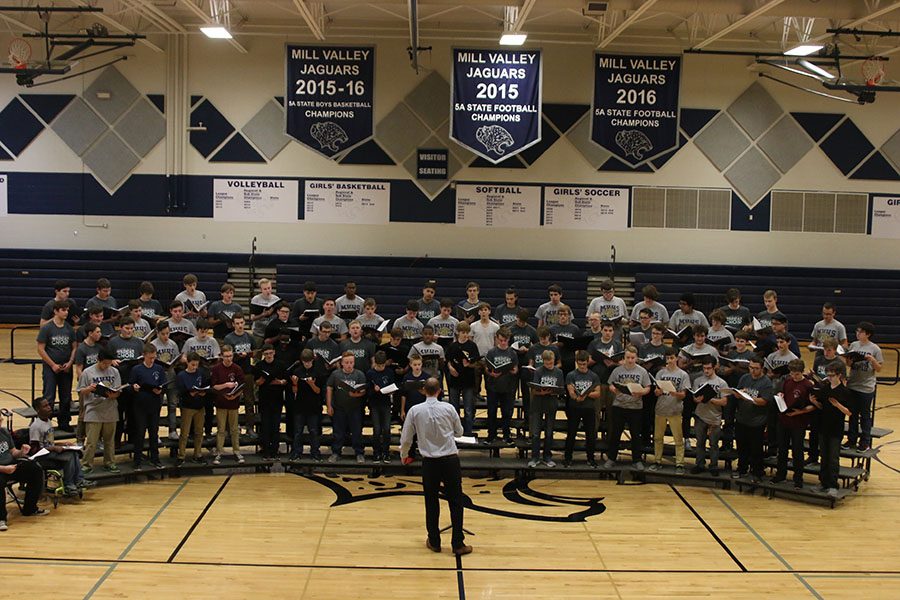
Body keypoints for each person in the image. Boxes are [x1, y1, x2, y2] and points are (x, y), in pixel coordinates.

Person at [400, 377, 472, 556]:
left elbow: (406, 437)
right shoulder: (449, 408)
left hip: (429, 461)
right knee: (456, 501)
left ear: (424, 391)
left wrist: (404, 455)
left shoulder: (415, 410)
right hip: (449, 459)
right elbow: (460, 432)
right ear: (440, 391)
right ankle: (457, 543)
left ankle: (434, 540)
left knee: (431, 502)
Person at [29, 397, 94, 497]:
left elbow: (49, 442)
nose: (49, 407)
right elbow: (35, 450)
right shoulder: (36, 426)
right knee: (68, 457)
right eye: (45, 406)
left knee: (74, 452)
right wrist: (54, 448)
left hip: (50, 452)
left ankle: (79, 480)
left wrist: (63, 444)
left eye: (48, 405)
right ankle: (69, 484)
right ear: (38, 410)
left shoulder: (48, 422)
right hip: (42, 457)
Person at [809, 363, 852, 497]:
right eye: (828, 375)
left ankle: (833, 485)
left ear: (839, 375)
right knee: (824, 457)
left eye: (832, 375)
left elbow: (849, 412)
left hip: (835, 429)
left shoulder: (845, 392)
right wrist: (814, 402)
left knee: (833, 458)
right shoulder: (825, 388)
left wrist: (837, 404)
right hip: (823, 427)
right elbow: (822, 406)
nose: (829, 378)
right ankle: (823, 483)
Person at [605, 346, 651, 469]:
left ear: (636, 358)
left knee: (635, 435)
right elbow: (610, 384)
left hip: (635, 407)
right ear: (624, 358)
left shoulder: (642, 371)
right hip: (619, 406)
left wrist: (641, 392)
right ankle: (611, 458)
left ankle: (637, 460)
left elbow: (647, 387)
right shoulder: (617, 370)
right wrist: (613, 389)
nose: (630, 360)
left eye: (632, 358)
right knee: (615, 433)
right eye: (628, 358)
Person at [0, 413, 48, 528]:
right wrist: (4, 469)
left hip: (11, 466)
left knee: (35, 469)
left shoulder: (4, 432)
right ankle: (1, 518)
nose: (1, 420)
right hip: (1, 470)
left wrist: (21, 452)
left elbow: (13, 452)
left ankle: (30, 508)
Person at [78, 349, 122, 473]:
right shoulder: (87, 372)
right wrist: (89, 389)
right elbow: (81, 391)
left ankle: (110, 462)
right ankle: (86, 464)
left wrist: (114, 395)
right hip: (93, 409)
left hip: (110, 409)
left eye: (109, 363)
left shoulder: (114, 371)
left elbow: (118, 390)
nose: (106, 366)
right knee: (91, 441)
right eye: (104, 364)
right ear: (99, 360)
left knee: (109, 441)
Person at [36, 300, 77, 431]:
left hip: (66, 368)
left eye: (67, 310)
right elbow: (40, 349)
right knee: (49, 396)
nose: (66, 312)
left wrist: (70, 362)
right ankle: (45, 424)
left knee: (66, 396)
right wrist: (53, 364)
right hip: (50, 368)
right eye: (63, 310)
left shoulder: (69, 328)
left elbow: (74, 347)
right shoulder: (47, 328)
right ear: (56, 311)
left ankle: (64, 422)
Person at [774, 359, 815, 488]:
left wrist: (799, 412)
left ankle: (798, 479)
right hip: (785, 420)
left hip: (798, 422)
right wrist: (781, 396)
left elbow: (813, 406)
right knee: (782, 449)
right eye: (792, 374)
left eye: (797, 374)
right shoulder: (787, 381)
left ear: (802, 372)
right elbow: (785, 395)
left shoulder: (808, 385)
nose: (794, 377)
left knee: (797, 451)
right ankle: (781, 475)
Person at [733, 357, 774, 483]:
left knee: (756, 449)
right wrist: (739, 393)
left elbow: (764, 401)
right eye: (751, 367)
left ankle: (757, 473)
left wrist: (748, 397)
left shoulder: (766, 382)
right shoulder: (745, 378)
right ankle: (742, 469)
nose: (752, 371)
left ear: (762, 368)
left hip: (757, 421)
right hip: (742, 418)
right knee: (741, 447)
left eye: (756, 368)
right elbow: (737, 393)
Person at [649, 347, 689, 473]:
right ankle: (657, 461)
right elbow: (656, 392)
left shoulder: (683, 375)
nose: (669, 361)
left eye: (672, 358)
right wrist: (658, 391)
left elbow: (683, 394)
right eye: (667, 358)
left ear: (676, 358)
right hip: (661, 408)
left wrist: (674, 392)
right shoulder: (660, 373)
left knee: (678, 438)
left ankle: (680, 464)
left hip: (675, 410)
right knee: (658, 438)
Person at [845, 321, 883, 451]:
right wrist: (849, 360)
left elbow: (879, 369)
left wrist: (872, 360)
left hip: (866, 387)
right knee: (852, 414)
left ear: (868, 334)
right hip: (853, 384)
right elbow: (849, 364)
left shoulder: (875, 349)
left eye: (860, 332)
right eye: (857, 331)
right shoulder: (854, 345)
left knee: (865, 416)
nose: (857, 333)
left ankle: (865, 441)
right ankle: (851, 439)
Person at [128, 344, 166, 470]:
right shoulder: (137, 369)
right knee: (140, 433)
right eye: (150, 358)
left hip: (154, 404)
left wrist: (160, 390)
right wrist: (134, 387)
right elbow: (130, 385)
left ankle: (155, 459)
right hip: (140, 405)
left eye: (154, 358)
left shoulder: (159, 369)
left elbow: (163, 384)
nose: (152, 360)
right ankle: (137, 461)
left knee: (154, 433)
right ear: (144, 356)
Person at [326, 353, 368, 463]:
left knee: (357, 432)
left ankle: (359, 453)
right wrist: (329, 405)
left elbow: (363, 391)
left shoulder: (359, 374)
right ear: (342, 363)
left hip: (355, 409)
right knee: (338, 432)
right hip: (339, 408)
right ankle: (336, 453)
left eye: (351, 362)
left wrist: (356, 395)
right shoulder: (335, 374)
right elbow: (329, 389)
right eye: (347, 363)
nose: (349, 365)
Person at [690, 359, 728, 476]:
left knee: (714, 444)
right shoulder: (697, 381)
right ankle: (699, 464)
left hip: (714, 418)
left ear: (714, 367)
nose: (706, 371)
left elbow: (724, 402)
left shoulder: (721, 383)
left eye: (708, 368)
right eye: (704, 368)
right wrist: (696, 399)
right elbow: (694, 398)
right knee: (700, 442)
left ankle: (714, 465)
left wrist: (710, 399)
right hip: (700, 415)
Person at [564, 350, 602, 467]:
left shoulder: (593, 376)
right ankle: (568, 458)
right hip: (575, 407)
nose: (581, 366)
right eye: (579, 364)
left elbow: (598, 393)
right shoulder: (571, 375)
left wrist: (586, 394)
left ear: (587, 363)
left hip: (589, 408)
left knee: (590, 435)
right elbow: (571, 391)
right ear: (576, 363)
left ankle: (590, 458)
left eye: (584, 364)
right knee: (571, 433)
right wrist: (576, 397)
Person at [224, 313, 258, 435]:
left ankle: (250, 428)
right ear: (233, 324)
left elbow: (255, 351)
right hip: (234, 373)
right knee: (233, 400)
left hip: (247, 372)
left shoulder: (249, 337)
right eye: (237, 323)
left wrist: (251, 353)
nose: (240, 325)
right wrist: (237, 356)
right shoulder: (229, 338)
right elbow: (227, 356)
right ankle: (232, 427)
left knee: (249, 401)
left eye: (242, 323)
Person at [211, 346, 246, 465]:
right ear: (221, 356)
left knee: (234, 429)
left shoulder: (237, 368)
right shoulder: (216, 369)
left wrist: (235, 396)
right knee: (221, 430)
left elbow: (242, 385)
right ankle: (219, 452)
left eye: (230, 356)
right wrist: (226, 385)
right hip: (221, 403)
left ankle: (237, 451)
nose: (228, 358)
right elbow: (214, 386)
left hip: (233, 403)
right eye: (226, 356)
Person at [529, 350, 564, 467]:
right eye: (547, 363)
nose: (549, 365)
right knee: (535, 433)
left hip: (551, 403)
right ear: (543, 361)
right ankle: (535, 457)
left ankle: (547, 457)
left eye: (551, 363)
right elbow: (534, 389)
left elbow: (560, 388)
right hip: (538, 403)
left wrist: (554, 392)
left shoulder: (558, 372)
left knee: (549, 433)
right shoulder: (538, 371)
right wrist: (541, 392)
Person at [289, 349, 326, 462]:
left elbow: (318, 391)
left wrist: (312, 384)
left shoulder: (318, 372)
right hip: (300, 406)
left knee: (314, 431)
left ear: (312, 360)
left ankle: (315, 452)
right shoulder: (297, 371)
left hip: (313, 406)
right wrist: (295, 384)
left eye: (309, 361)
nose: (307, 364)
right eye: (305, 362)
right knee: (298, 431)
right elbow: (294, 392)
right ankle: (296, 452)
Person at [484, 328, 519, 444]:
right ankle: (491, 435)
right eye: (501, 340)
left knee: (507, 412)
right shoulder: (492, 352)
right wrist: (491, 373)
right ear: (497, 339)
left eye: (505, 340)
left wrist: (514, 371)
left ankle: (506, 435)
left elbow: (515, 368)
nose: (503, 342)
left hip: (508, 387)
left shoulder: (512, 353)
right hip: (493, 387)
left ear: (508, 340)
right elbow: (486, 368)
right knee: (492, 411)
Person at [445, 322, 480, 437]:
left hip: (468, 381)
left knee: (468, 409)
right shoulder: (453, 346)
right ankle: (455, 432)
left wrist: (468, 365)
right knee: (454, 409)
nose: (465, 335)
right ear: (458, 333)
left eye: (466, 333)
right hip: (455, 381)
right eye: (463, 332)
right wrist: (450, 368)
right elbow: (448, 360)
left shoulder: (472, 346)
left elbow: (476, 363)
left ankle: (468, 433)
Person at [175, 353, 211, 465]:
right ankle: (181, 455)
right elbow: (180, 392)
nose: (195, 367)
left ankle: (198, 454)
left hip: (200, 406)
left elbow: (206, 385)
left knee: (199, 432)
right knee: (184, 433)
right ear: (188, 363)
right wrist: (189, 393)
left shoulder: (201, 373)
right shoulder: (181, 375)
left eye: (196, 365)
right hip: (187, 407)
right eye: (192, 365)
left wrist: (203, 392)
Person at [254, 344, 287, 460]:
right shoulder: (259, 366)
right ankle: (266, 451)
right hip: (264, 399)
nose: (268, 356)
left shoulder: (280, 364)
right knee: (265, 426)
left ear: (274, 352)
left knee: (275, 426)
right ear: (263, 354)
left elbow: (285, 380)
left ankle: (275, 450)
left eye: (270, 353)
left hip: (277, 399)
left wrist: (280, 382)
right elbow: (256, 383)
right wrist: (261, 380)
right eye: (266, 354)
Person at [151, 321, 181, 440]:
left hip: (171, 378)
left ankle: (172, 430)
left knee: (172, 405)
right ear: (157, 333)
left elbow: (176, 359)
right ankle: (155, 433)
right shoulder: (153, 345)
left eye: (168, 333)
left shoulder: (173, 344)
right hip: (157, 379)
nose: (166, 336)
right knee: (156, 407)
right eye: (163, 334)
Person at [366, 351, 396, 463]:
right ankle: (376, 453)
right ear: (375, 363)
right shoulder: (370, 373)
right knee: (377, 430)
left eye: (383, 365)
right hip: (374, 404)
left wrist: (390, 391)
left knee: (387, 429)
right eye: (379, 366)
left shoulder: (389, 372)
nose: (381, 367)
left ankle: (386, 452)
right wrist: (374, 390)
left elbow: (393, 385)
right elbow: (367, 391)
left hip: (386, 404)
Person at [250, 278, 281, 342]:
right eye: (265, 289)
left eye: (269, 288)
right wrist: (263, 314)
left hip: (272, 332)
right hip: (258, 333)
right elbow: (252, 318)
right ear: (261, 290)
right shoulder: (255, 299)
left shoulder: (276, 299)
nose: (268, 291)